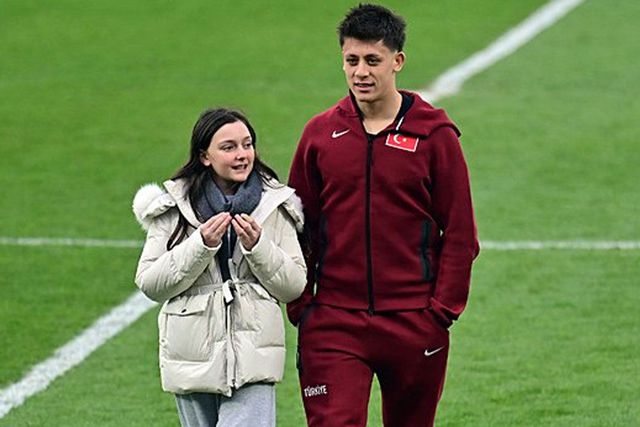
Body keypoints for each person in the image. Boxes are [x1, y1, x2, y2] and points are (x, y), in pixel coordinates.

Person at [287, 4, 480, 426]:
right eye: (351, 60)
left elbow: (461, 233)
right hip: (333, 321)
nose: (361, 72)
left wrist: (440, 313)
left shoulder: (435, 136)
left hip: (415, 322)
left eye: (372, 60)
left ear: (397, 61)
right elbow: (298, 226)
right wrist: (302, 305)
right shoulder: (320, 135)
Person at [132, 108, 306, 427]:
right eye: (229, 147)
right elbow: (151, 283)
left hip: (253, 357)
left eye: (247, 144)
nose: (242, 155)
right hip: (192, 358)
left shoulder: (275, 205)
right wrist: (200, 245)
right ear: (205, 156)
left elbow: (294, 285)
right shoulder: (172, 208)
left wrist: (258, 247)